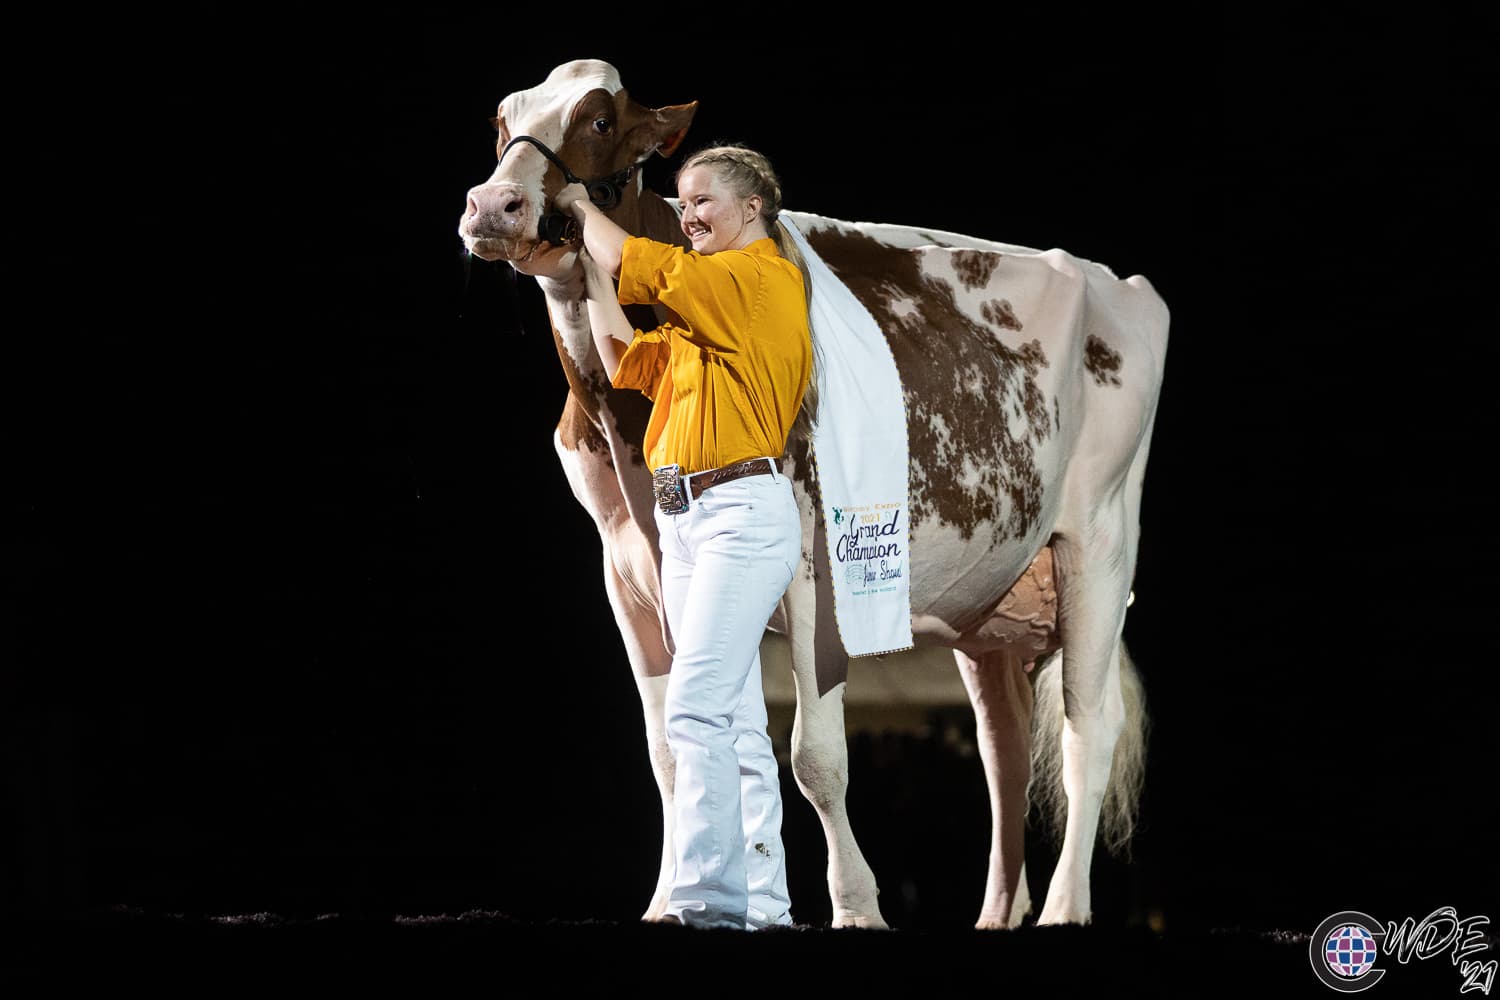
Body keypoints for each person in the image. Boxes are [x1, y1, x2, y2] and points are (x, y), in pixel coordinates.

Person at [554, 144, 813, 930]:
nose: (688, 214)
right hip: (691, 520)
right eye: (683, 200)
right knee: (732, 719)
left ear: (753, 209)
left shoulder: (757, 280)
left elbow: (643, 262)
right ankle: (762, 903)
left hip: (740, 513)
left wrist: (580, 206)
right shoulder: (713, 316)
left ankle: (704, 901)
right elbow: (625, 361)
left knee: (694, 708)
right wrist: (587, 274)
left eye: (702, 201)